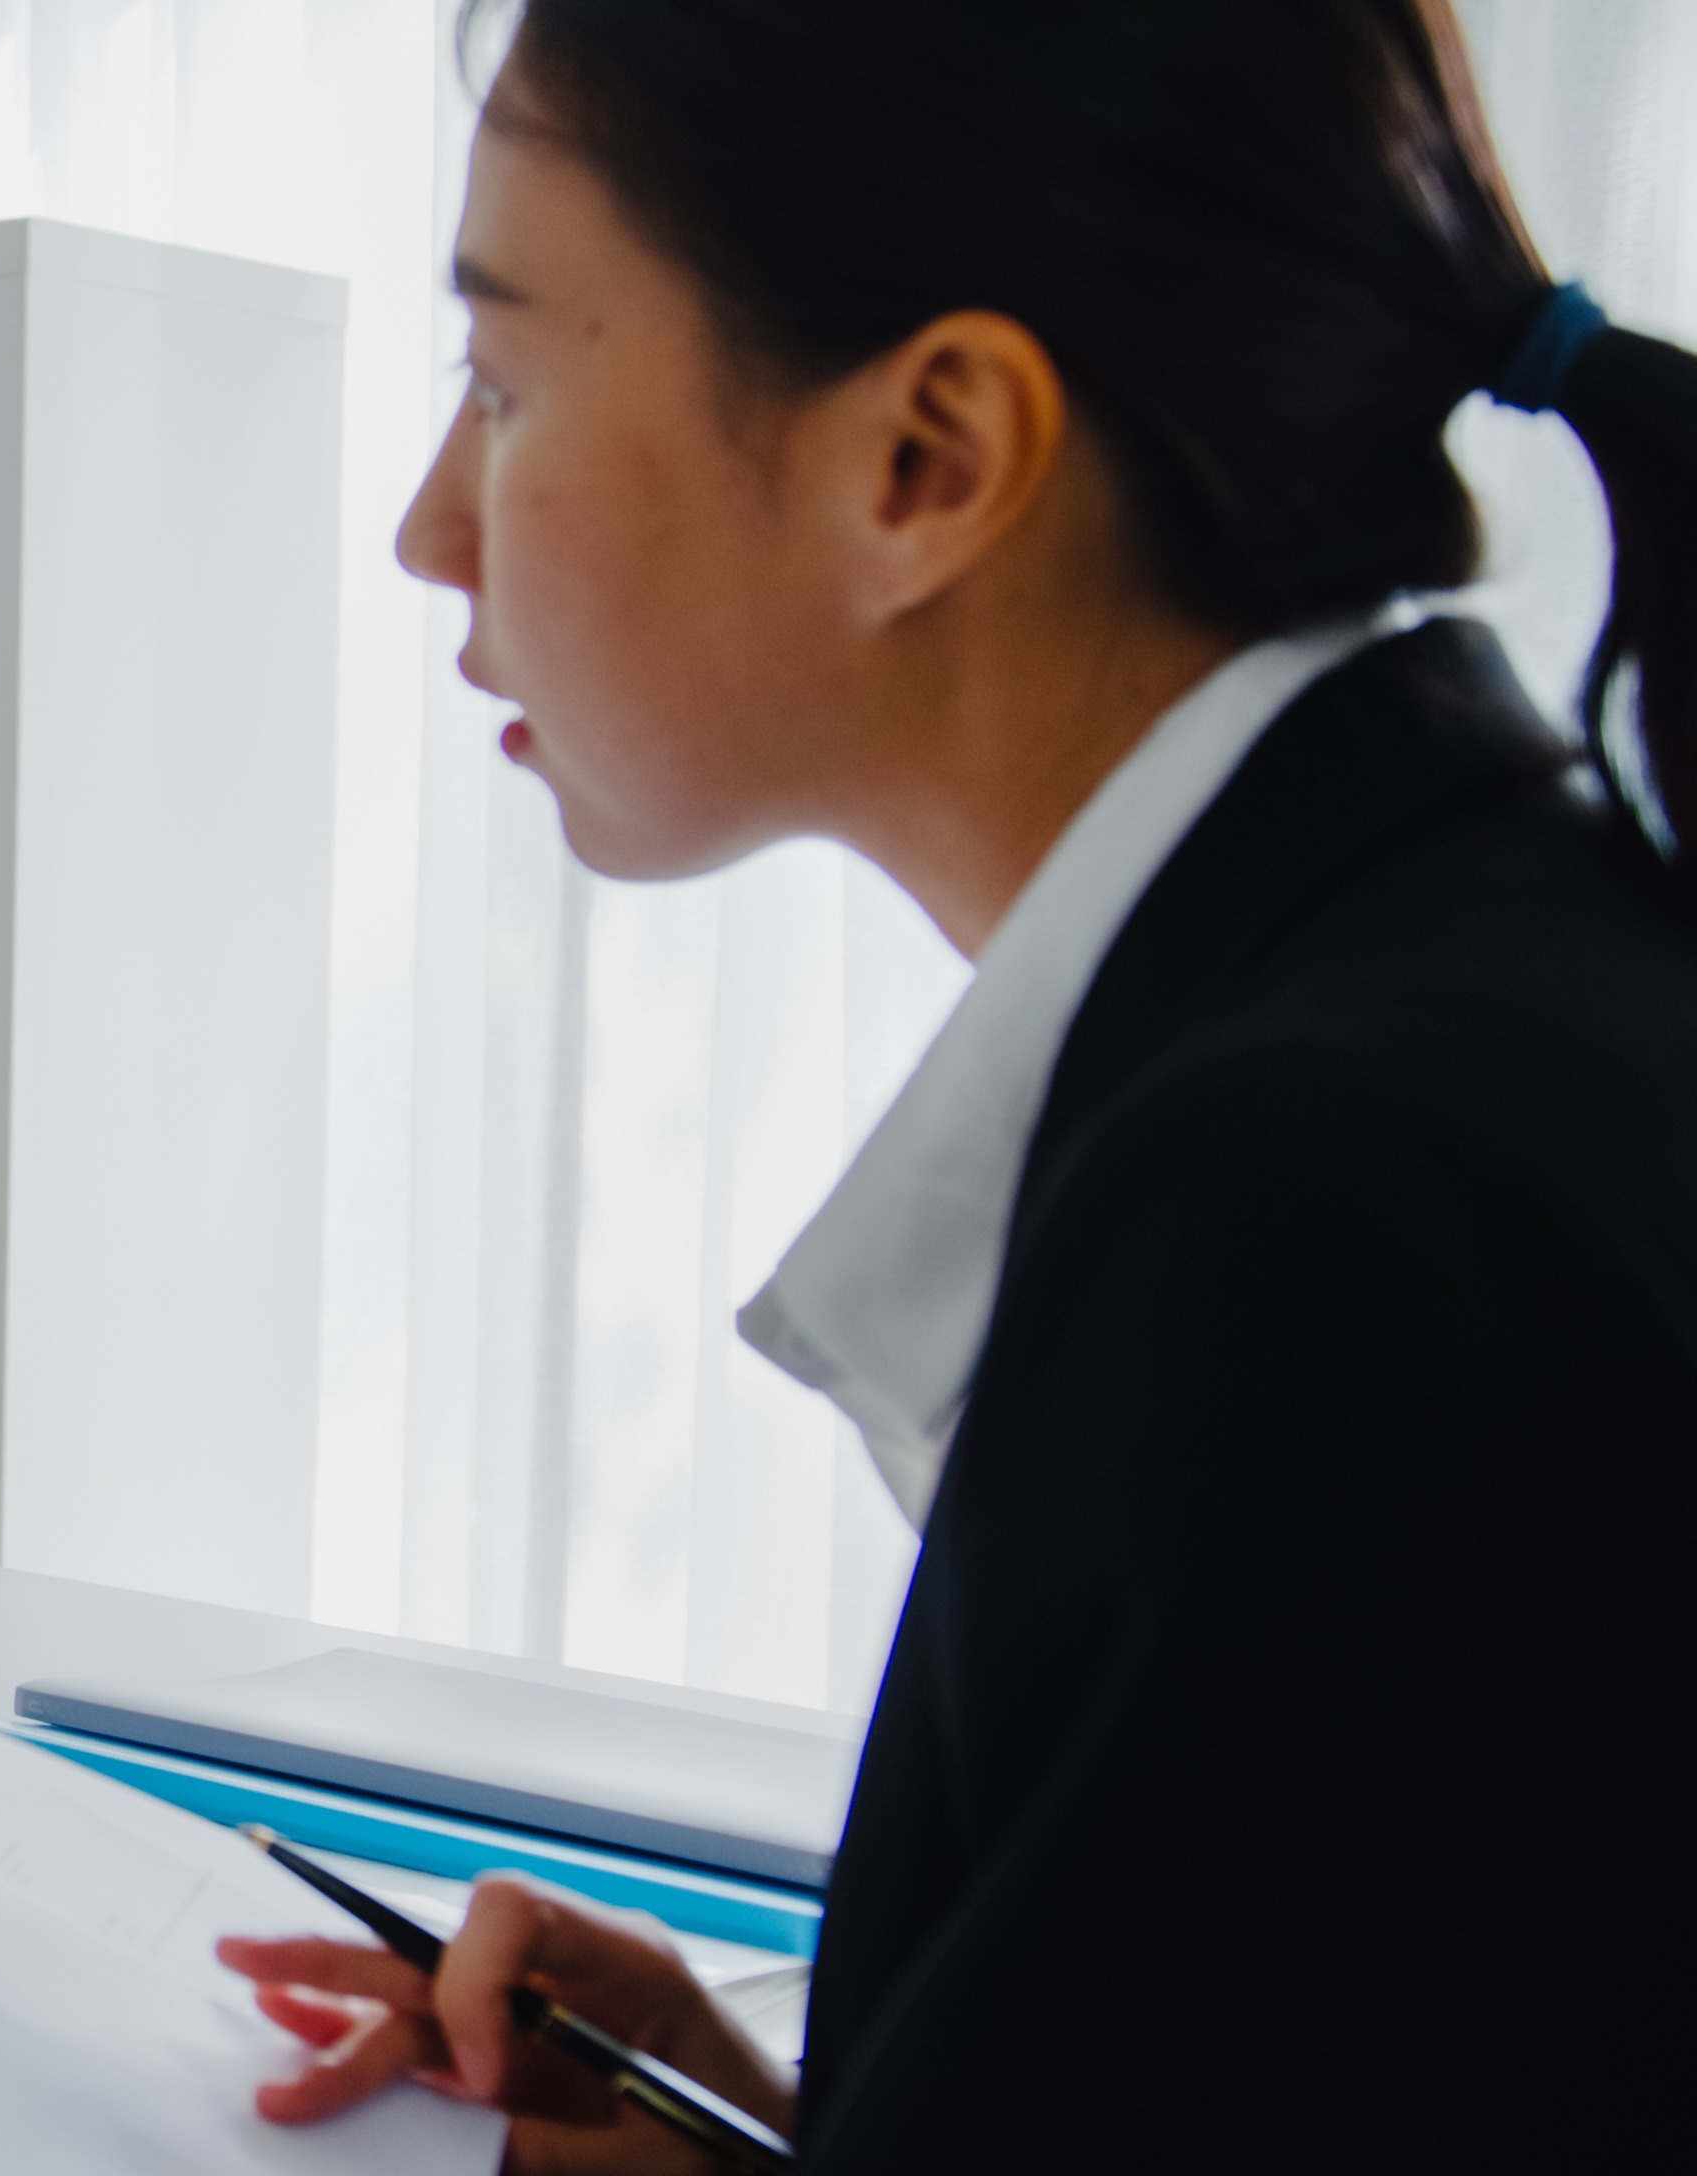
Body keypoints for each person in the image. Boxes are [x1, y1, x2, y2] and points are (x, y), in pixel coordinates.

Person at [222, 1, 1692, 2166]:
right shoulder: (1480, 975)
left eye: (509, 379)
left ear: (928, 457)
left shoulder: (1326, 1210)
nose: (433, 530)